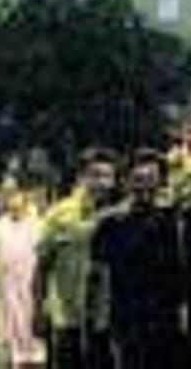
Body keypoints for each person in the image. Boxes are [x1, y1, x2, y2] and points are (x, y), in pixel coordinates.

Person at [90, 148, 187, 369]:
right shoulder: (110, 224)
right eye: (138, 180)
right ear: (127, 182)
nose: (145, 187)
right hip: (127, 321)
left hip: (166, 322)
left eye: (151, 179)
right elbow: (99, 277)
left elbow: (181, 272)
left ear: (161, 181)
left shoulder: (173, 221)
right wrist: (100, 324)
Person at [35, 148, 119, 369]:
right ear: (82, 177)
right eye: (96, 175)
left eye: (108, 176)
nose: (103, 182)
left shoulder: (120, 217)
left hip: (104, 322)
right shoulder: (59, 214)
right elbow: (41, 267)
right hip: (66, 320)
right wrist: (37, 310)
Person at [0, 183, 44, 367]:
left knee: (30, 319)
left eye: (17, 200)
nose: (14, 205)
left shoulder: (36, 224)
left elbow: (40, 253)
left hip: (30, 280)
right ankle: (14, 355)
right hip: (8, 283)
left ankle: (31, 356)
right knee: (10, 321)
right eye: (9, 200)